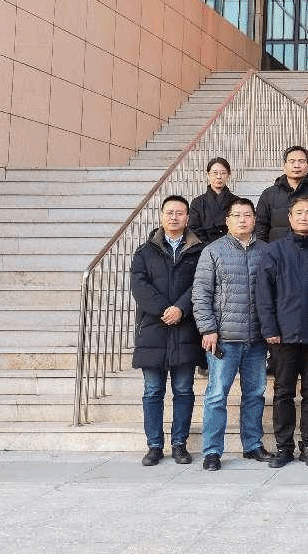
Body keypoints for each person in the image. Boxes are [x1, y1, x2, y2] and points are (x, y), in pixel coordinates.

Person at [191, 197, 271, 470]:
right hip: (224, 338)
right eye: (236, 215)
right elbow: (201, 293)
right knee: (216, 395)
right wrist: (208, 328)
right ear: (227, 221)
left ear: (254, 219)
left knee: (255, 394)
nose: (242, 220)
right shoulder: (213, 251)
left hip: (257, 338)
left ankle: (253, 445)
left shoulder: (265, 251)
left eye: (247, 215)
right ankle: (212, 451)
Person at [130, 195, 205, 466]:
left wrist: (181, 309)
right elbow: (139, 286)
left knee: (183, 390)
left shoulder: (199, 251)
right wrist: (165, 310)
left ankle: (179, 444)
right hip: (153, 329)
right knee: (153, 391)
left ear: (187, 217)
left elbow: (201, 284)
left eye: (180, 213)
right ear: (162, 216)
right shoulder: (145, 252)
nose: (174, 217)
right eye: (170, 212)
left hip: (185, 330)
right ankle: (154, 445)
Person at [255, 195, 308, 468]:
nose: (304, 217)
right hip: (282, 335)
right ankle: (283, 447)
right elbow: (264, 293)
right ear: (289, 218)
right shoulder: (274, 250)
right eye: (299, 212)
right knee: (283, 392)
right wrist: (269, 328)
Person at [256, 145, 308, 242]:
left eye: (301, 161)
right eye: (292, 161)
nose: (296, 165)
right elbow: (260, 227)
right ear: (284, 166)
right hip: (276, 249)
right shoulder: (269, 194)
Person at [189, 157, 236, 243]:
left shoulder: (237, 202)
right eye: (215, 173)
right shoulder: (197, 202)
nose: (219, 177)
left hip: (231, 246)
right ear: (208, 175)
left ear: (229, 175)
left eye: (223, 173)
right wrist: (209, 247)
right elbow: (193, 228)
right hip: (204, 247)